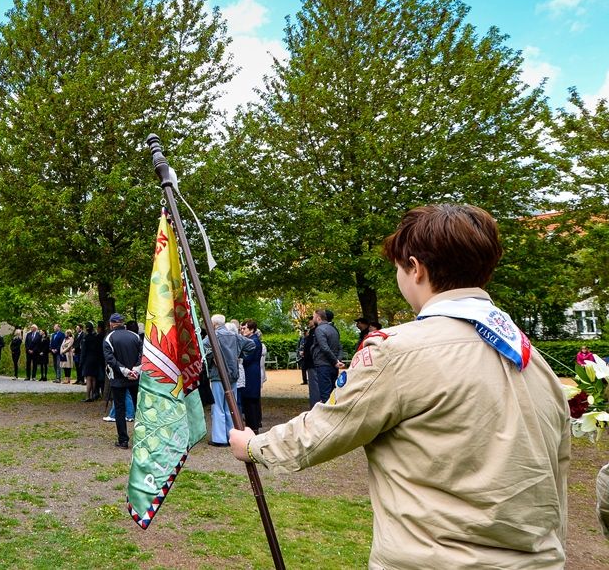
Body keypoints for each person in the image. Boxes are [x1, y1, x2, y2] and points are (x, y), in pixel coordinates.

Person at [229, 204, 570, 568]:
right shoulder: (532, 359)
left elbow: (326, 429)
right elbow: (557, 470)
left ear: (416, 268)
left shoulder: (397, 351)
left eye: (398, 268)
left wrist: (253, 445)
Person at [202, 314, 256, 446]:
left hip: (218, 375)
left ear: (214, 325)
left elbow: (201, 349)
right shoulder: (234, 335)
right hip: (232, 375)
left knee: (218, 407)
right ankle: (231, 436)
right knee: (231, 406)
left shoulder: (213, 336)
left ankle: (219, 438)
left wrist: (212, 356)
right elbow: (251, 345)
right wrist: (238, 355)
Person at [102, 313, 142, 449]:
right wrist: (135, 370)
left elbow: (110, 359)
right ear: (122, 323)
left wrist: (124, 370)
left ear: (112, 323)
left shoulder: (109, 338)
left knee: (120, 408)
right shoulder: (135, 336)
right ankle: (142, 438)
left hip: (118, 378)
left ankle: (123, 440)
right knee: (139, 407)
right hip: (135, 377)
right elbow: (142, 355)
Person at [310, 309, 344, 404]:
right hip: (333, 366)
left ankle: (327, 416)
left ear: (318, 318)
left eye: (313, 317)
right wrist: (338, 360)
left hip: (323, 364)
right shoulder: (334, 329)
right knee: (333, 392)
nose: (312, 319)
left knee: (325, 395)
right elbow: (340, 347)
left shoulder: (319, 329)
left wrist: (335, 361)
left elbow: (324, 347)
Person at [238, 319, 263, 433]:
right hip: (252, 371)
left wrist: (239, 358)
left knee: (250, 399)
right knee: (251, 400)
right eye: (241, 328)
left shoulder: (253, 341)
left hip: (251, 372)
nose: (242, 331)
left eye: (244, 328)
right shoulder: (253, 340)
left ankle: (253, 426)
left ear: (251, 329)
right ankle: (254, 424)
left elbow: (248, 358)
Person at [82, 321, 103, 401]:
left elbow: (84, 351)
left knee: (88, 378)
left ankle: (88, 396)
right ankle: (94, 394)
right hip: (95, 359)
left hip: (88, 359)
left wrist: (82, 361)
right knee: (94, 378)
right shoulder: (96, 337)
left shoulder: (86, 338)